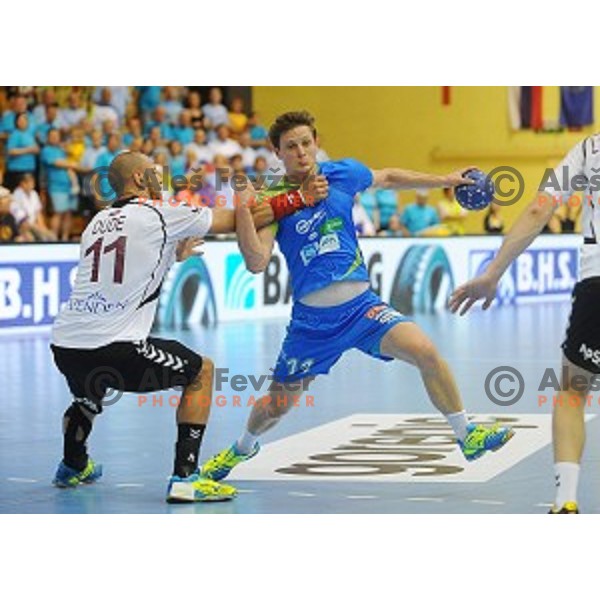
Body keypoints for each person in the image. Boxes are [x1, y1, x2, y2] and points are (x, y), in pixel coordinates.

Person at [199, 111, 514, 482]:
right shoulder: (272, 201)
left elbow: (389, 177)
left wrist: (444, 179)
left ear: (316, 142)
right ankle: (241, 447)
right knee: (275, 406)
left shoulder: (342, 174)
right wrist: (244, 214)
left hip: (363, 310)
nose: (301, 152)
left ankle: (467, 435)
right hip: (312, 326)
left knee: (426, 352)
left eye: (306, 142)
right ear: (277, 153)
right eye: (290, 146)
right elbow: (255, 262)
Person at [49, 150, 328, 502]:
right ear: (139, 180)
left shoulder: (96, 222)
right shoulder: (160, 214)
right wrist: (300, 198)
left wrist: (172, 254)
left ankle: (73, 465)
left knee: (87, 395)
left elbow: (117, 269)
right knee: (201, 372)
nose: (161, 178)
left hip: (66, 345)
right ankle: (186, 478)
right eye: (154, 171)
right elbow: (241, 217)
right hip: (115, 345)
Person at [449, 135, 600, 514]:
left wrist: (492, 272)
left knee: (572, 391)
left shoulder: (588, 149)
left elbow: (539, 209)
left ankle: (565, 500)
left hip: (597, 282)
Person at [11, 173, 56, 241]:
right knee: (32, 238)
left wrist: (43, 227)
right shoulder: (16, 195)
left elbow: (38, 213)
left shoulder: (34, 194)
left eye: (32, 182)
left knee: (51, 236)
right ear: (22, 183)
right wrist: (38, 228)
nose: (32, 185)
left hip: (34, 225)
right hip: (21, 227)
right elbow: (21, 220)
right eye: (29, 182)